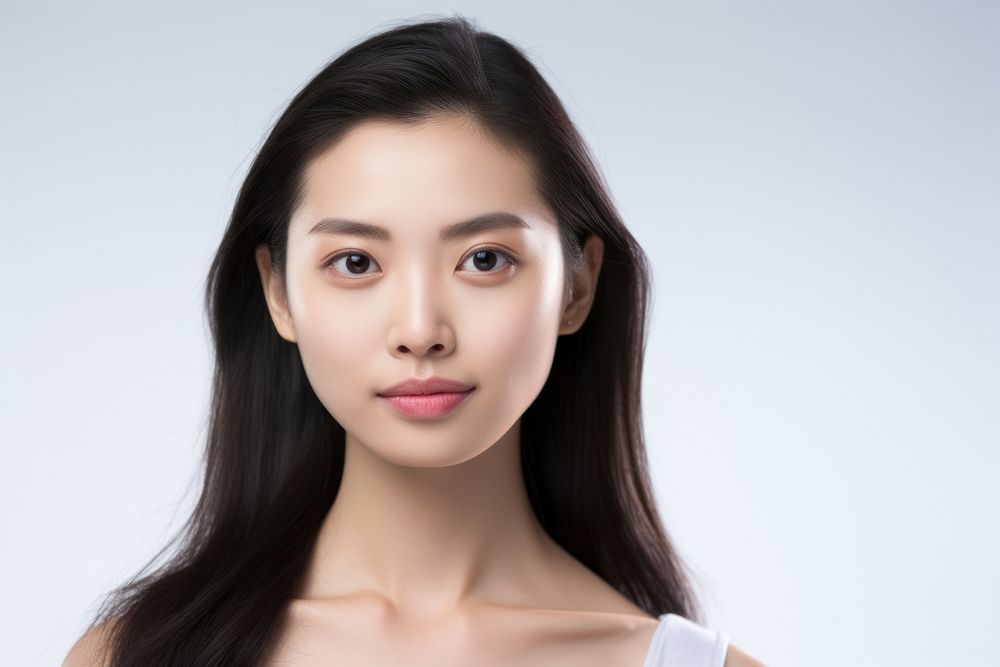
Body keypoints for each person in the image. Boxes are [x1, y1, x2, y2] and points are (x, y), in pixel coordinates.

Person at [65, 14, 765, 666]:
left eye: (484, 259)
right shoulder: (134, 656)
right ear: (278, 292)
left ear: (577, 286)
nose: (422, 331)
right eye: (357, 263)